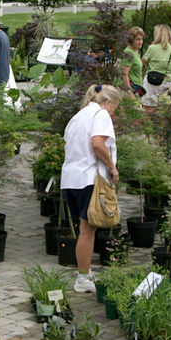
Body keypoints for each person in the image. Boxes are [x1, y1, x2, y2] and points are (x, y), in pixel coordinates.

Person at [61, 84, 121, 293]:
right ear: (107, 102)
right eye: (114, 107)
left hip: (70, 178)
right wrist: (112, 168)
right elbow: (97, 143)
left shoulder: (78, 116)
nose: (113, 113)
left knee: (83, 230)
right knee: (88, 231)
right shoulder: (101, 114)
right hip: (88, 178)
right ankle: (83, 278)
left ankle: (84, 272)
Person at [142, 24, 171, 113]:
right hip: (170, 84)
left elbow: (143, 61)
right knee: (168, 109)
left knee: (149, 107)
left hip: (152, 82)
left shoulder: (152, 48)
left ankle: (150, 126)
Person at [121, 26, 145, 98]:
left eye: (141, 39)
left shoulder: (135, 51)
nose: (140, 42)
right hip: (131, 90)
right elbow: (124, 73)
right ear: (131, 40)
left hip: (137, 89)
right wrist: (129, 92)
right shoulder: (129, 53)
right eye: (137, 39)